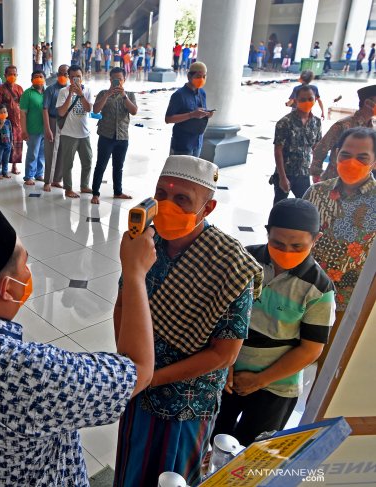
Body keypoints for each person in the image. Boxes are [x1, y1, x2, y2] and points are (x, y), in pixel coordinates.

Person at [0, 191, 156, 486]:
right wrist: (135, 273)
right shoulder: (30, 374)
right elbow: (139, 370)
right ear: (7, 288)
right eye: (25, 264)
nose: (28, 271)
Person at [114, 155, 262, 487]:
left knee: (173, 476)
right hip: (140, 389)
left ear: (207, 208)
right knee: (130, 469)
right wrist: (130, 367)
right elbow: (123, 301)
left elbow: (224, 355)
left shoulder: (231, 266)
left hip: (187, 403)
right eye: (161, 195)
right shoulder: (145, 243)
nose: (167, 205)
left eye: (182, 199)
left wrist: (150, 376)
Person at [212, 199, 335, 446]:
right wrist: (224, 364)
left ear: (316, 239)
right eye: (277, 243)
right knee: (211, 440)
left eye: (297, 245)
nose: (286, 252)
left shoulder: (319, 289)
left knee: (252, 453)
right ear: (267, 232)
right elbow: (218, 313)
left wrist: (261, 379)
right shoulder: (245, 259)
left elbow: (311, 349)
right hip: (227, 372)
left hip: (276, 387)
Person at [304, 127, 376, 371]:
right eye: (345, 154)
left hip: (348, 305)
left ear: (374, 161)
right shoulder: (316, 193)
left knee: (330, 368)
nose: (351, 162)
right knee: (288, 360)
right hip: (303, 295)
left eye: (362, 157)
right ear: (335, 154)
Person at [91, 67, 137, 204]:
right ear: (110, 80)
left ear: (124, 80)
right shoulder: (103, 93)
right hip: (106, 135)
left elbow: (134, 111)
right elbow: (95, 110)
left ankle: (118, 192)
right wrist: (107, 95)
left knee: (118, 166)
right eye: (114, 79)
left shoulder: (129, 94)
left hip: (122, 136)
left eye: (120, 79)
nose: (117, 82)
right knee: (101, 165)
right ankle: (95, 193)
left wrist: (124, 96)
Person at [311, 85, 376, 182]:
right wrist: (316, 174)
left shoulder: (372, 128)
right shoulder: (344, 125)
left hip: (358, 183)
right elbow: (321, 149)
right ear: (368, 103)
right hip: (335, 181)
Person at [272, 85, 322, 204]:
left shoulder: (316, 122)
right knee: (279, 205)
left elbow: (316, 147)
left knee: (304, 205)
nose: (307, 102)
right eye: (303, 100)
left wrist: (317, 171)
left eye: (310, 99)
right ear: (295, 101)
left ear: (315, 99)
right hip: (285, 172)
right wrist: (282, 178)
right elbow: (278, 150)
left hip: (304, 173)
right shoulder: (285, 122)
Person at [55, 64, 92, 199]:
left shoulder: (87, 90)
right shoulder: (63, 92)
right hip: (68, 133)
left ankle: (84, 185)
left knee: (87, 160)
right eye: (73, 77)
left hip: (84, 133)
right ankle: (68, 189)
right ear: (69, 78)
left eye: (78, 77)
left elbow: (88, 109)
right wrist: (71, 94)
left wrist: (81, 95)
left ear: (82, 77)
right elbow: (61, 111)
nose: (76, 79)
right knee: (68, 163)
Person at [164, 61, 213, 157]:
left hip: (197, 141)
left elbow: (201, 113)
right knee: (180, 171)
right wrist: (191, 115)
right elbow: (168, 119)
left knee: (193, 171)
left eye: (204, 77)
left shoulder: (202, 93)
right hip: (183, 143)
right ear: (189, 77)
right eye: (198, 77)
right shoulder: (179, 95)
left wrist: (207, 114)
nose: (201, 79)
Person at [41, 65, 68, 192]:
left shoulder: (71, 89)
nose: (63, 76)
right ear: (57, 75)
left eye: (66, 73)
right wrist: (47, 128)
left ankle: (57, 180)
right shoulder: (50, 90)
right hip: (53, 120)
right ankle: (48, 181)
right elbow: (45, 109)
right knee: (51, 152)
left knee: (63, 152)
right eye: (61, 73)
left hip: (67, 123)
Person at [0, 65, 24, 174]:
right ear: (5, 75)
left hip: (17, 122)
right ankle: (1, 165)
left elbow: (23, 105)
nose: (12, 76)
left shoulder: (19, 88)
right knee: (3, 143)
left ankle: (14, 166)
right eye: (10, 74)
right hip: (4, 122)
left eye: (14, 74)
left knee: (16, 144)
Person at [20, 70, 46, 185]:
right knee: (33, 153)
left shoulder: (47, 92)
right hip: (33, 130)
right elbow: (22, 114)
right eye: (36, 77)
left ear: (44, 79)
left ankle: (39, 173)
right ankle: (29, 176)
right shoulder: (27, 93)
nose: (39, 79)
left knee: (42, 153)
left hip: (46, 130)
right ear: (31, 80)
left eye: (41, 77)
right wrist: (24, 130)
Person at [0, 104, 12, 179]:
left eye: (5, 112)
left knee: (6, 159)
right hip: (0, 144)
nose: (3, 114)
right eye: (1, 112)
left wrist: (12, 142)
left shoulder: (8, 122)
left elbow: (11, 132)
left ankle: (5, 172)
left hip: (8, 144)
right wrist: (1, 124)